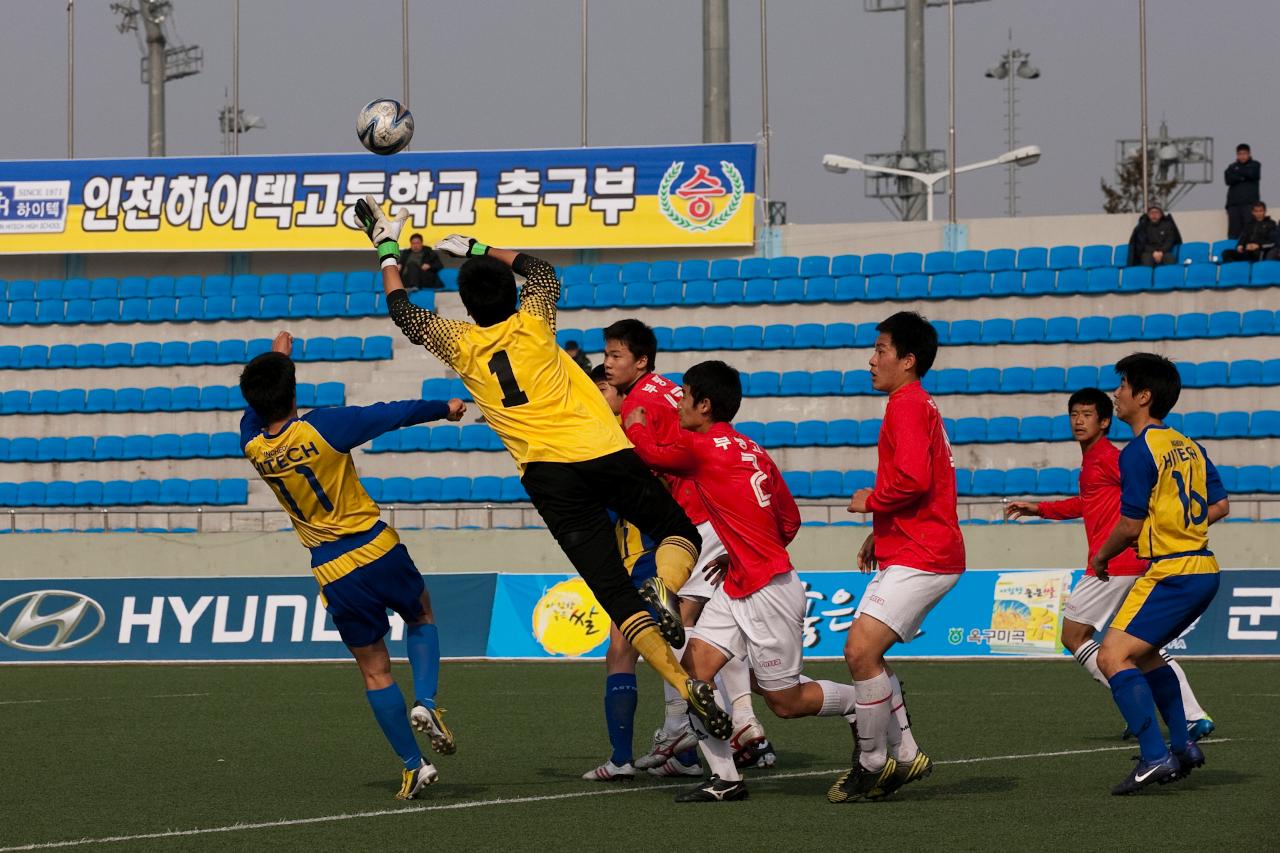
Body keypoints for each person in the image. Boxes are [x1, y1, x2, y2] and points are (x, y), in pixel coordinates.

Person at [351, 196, 730, 741]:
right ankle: (664, 588)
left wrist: (386, 247)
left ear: (465, 304)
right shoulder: (535, 319)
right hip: (599, 448)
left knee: (614, 595)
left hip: (547, 478)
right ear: (512, 295)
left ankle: (682, 681)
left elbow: (402, 311)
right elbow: (542, 270)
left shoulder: (459, 342)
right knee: (679, 532)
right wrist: (479, 247)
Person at [238, 330, 464, 800]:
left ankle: (411, 766)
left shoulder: (252, 443)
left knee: (374, 670)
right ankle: (426, 700)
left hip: (332, 569)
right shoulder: (324, 427)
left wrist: (278, 359)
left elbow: (258, 407)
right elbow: (392, 415)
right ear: (294, 391)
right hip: (375, 547)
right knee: (420, 613)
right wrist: (446, 408)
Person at [624, 360, 861, 803]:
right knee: (692, 671)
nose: (678, 404)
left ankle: (863, 702)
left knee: (785, 703)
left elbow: (652, 456)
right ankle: (725, 778)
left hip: (768, 590)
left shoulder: (703, 446)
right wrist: (741, 551)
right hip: (740, 582)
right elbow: (789, 520)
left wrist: (635, 424)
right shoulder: (752, 449)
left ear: (705, 404)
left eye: (685, 395)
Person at [603, 319, 776, 779]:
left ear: (639, 360)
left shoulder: (637, 402)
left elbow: (646, 462)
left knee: (681, 628)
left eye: (615, 355)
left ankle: (692, 728)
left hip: (688, 519)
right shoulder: (664, 389)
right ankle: (739, 727)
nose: (608, 363)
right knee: (713, 626)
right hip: (715, 515)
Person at [1004, 389, 1214, 741]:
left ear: (1104, 421)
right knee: (1143, 649)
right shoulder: (1094, 462)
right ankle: (1192, 716)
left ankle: (1138, 703)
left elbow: (1147, 487)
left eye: (1087, 414)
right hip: (1127, 563)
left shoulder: (1112, 458)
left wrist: (1146, 529)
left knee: (1074, 635)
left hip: (1114, 564)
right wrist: (1038, 508)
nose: (1079, 420)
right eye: (1074, 414)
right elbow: (1085, 504)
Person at [830, 310, 965, 804]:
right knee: (871, 654)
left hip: (924, 552)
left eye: (882, 350)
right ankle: (905, 755)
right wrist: (878, 533)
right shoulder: (916, 403)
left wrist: (871, 500)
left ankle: (870, 763)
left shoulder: (906, 405)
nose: (872, 360)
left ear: (907, 361)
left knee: (858, 652)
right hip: (917, 547)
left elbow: (911, 481)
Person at [1093, 353, 1229, 795]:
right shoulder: (1190, 446)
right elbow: (1221, 506)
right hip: (1203, 567)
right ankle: (1184, 745)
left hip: (1171, 572)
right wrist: (1181, 524)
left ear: (1143, 396)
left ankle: (1155, 756)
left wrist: (1101, 557)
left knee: (1111, 656)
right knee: (1147, 655)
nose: (1117, 394)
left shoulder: (1136, 453)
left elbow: (1130, 525)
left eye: (1124, 386)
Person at [1224, 144, 1261, 240]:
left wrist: (1237, 174)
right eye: (1240, 154)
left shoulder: (1255, 164)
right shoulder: (1232, 166)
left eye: (1244, 153)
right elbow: (1228, 180)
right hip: (1233, 205)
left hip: (1249, 204)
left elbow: (1252, 174)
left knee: (1249, 230)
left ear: (1249, 154)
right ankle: (1232, 252)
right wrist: (1243, 176)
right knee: (1233, 232)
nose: (1242, 156)